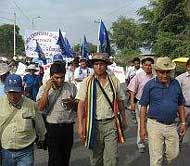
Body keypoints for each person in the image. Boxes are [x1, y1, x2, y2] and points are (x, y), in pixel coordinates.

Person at [77, 52, 127, 166]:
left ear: (106, 65)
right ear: (93, 66)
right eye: (96, 64)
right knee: (96, 158)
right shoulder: (87, 82)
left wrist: (124, 119)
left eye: (101, 64)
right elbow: (81, 104)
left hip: (111, 123)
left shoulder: (114, 81)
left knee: (112, 159)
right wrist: (80, 125)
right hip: (93, 124)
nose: (99, 67)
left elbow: (120, 101)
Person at [139, 57, 187, 166]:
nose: (165, 75)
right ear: (156, 71)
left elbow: (180, 104)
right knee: (156, 159)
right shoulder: (150, 85)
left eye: (167, 72)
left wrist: (183, 123)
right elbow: (143, 107)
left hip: (171, 125)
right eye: (161, 72)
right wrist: (142, 128)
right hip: (154, 125)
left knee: (173, 154)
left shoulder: (176, 84)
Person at [36, 62, 77, 166]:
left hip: (68, 127)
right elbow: (40, 107)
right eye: (57, 77)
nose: (60, 80)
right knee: (55, 158)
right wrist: (47, 90)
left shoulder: (71, 87)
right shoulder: (44, 88)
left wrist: (72, 103)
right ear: (51, 77)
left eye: (62, 77)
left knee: (65, 157)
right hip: (52, 128)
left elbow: (79, 107)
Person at [0, 74, 46, 166]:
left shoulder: (31, 105)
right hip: (6, 151)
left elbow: (39, 125)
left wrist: (42, 138)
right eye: (10, 92)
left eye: (16, 92)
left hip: (26, 152)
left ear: (22, 90)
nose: (13, 96)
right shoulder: (0, 104)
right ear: (5, 91)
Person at [127, 56, 154, 153]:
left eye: (150, 65)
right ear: (142, 66)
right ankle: (141, 143)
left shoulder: (155, 77)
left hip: (153, 104)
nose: (148, 67)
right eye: (146, 65)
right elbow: (132, 90)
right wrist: (132, 103)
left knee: (152, 123)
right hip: (140, 102)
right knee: (141, 123)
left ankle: (152, 143)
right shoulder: (138, 76)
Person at [176, 58, 190, 143]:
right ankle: (176, 144)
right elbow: (176, 94)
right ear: (188, 66)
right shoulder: (180, 78)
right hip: (185, 108)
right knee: (182, 127)